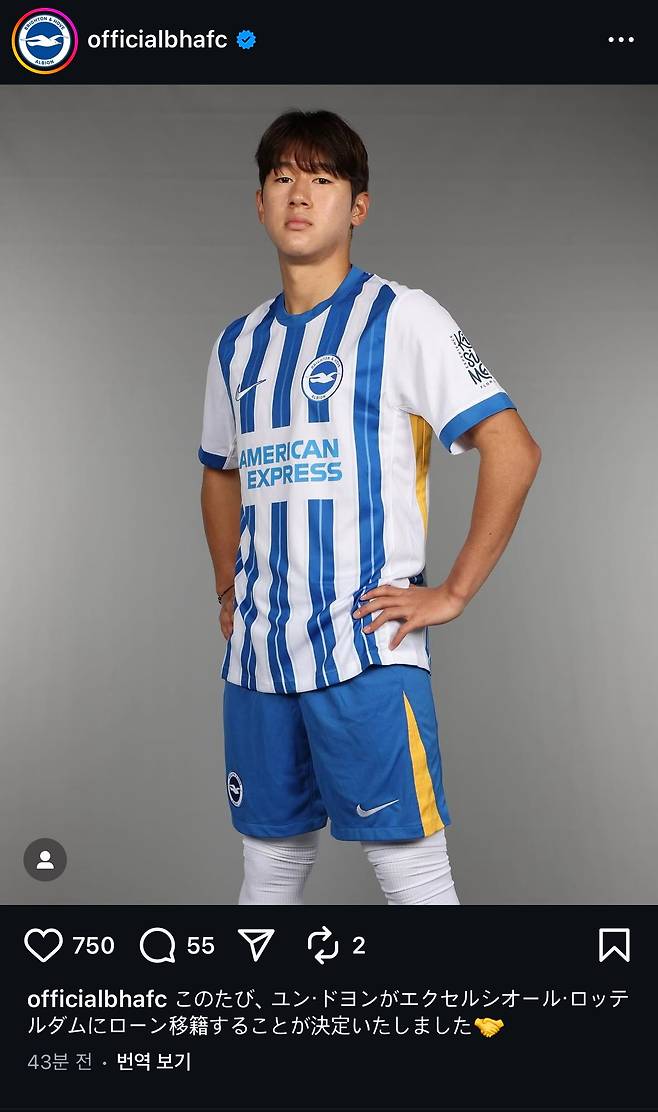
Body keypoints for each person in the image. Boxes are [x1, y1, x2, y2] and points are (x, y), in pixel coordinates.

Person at [198, 108, 541, 905]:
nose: (299, 195)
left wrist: (452, 592)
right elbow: (219, 472)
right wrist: (227, 587)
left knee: (409, 870)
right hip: (257, 658)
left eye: (322, 179)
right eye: (282, 177)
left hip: (365, 650)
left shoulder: (402, 317)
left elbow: (514, 449)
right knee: (269, 865)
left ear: (357, 206)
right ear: (259, 202)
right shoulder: (237, 344)